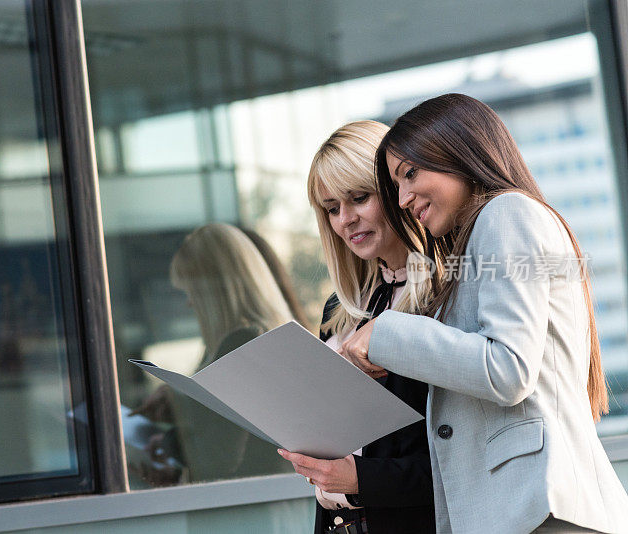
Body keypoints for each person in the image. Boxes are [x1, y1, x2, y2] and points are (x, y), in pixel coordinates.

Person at [339, 94, 628, 533]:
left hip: (539, 510)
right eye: (396, 183)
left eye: (411, 173)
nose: (402, 198)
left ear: (458, 151)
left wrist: (388, 332)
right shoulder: (482, 236)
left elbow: (506, 369)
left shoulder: (506, 213)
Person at [279, 120, 437, 534]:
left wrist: (360, 478)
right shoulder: (340, 308)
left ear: (396, 192)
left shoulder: (446, 296)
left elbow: (461, 460)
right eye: (332, 208)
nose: (345, 219)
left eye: (359, 198)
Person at [131, 222, 294, 484]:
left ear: (215, 290)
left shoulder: (241, 344)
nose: (189, 302)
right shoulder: (261, 339)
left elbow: (219, 456)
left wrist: (172, 441)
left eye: (192, 290)